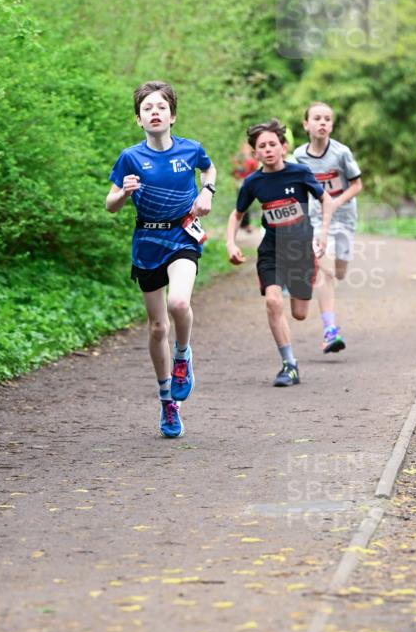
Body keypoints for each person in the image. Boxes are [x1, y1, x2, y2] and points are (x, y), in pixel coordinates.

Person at [106, 81, 217, 438]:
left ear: (172, 115)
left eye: (161, 107)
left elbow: (209, 169)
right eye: (147, 108)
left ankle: (183, 356)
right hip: (147, 241)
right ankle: (168, 401)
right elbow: (110, 204)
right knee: (157, 328)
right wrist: (124, 192)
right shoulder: (130, 157)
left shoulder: (191, 150)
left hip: (182, 234)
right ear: (139, 119)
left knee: (179, 301)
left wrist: (207, 192)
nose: (155, 112)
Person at [226, 118, 332, 387]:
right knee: (273, 302)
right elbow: (237, 214)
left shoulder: (300, 173)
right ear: (255, 153)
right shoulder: (253, 182)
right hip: (271, 250)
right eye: (263, 146)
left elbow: (325, 199)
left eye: (273, 144)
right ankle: (289, 365)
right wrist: (231, 242)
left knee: (299, 313)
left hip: (300, 250)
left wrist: (322, 233)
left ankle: (297, 291)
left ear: (283, 147)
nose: (269, 149)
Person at [293, 102, 363, 353]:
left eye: (327, 119)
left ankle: (319, 269)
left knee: (339, 271)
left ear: (331, 125)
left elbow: (356, 185)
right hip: (315, 221)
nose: (322, 123)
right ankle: (330, 330)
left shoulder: (341, 153)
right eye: (317, 118)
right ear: (306, 124)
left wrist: (334, 203)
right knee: (325, 271)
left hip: (344, 218)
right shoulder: (298, 156)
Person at [231, 141, 259, 230]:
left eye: (246, 148)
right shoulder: (239, 159)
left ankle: (246, 224)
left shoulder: (252, 160)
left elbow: (254, 170)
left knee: (246, 204)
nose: (244, 150)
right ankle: (242, 224)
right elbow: (235, 172)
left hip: (248, 183)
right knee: (240, 204)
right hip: (240, 183)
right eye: (243, 148)